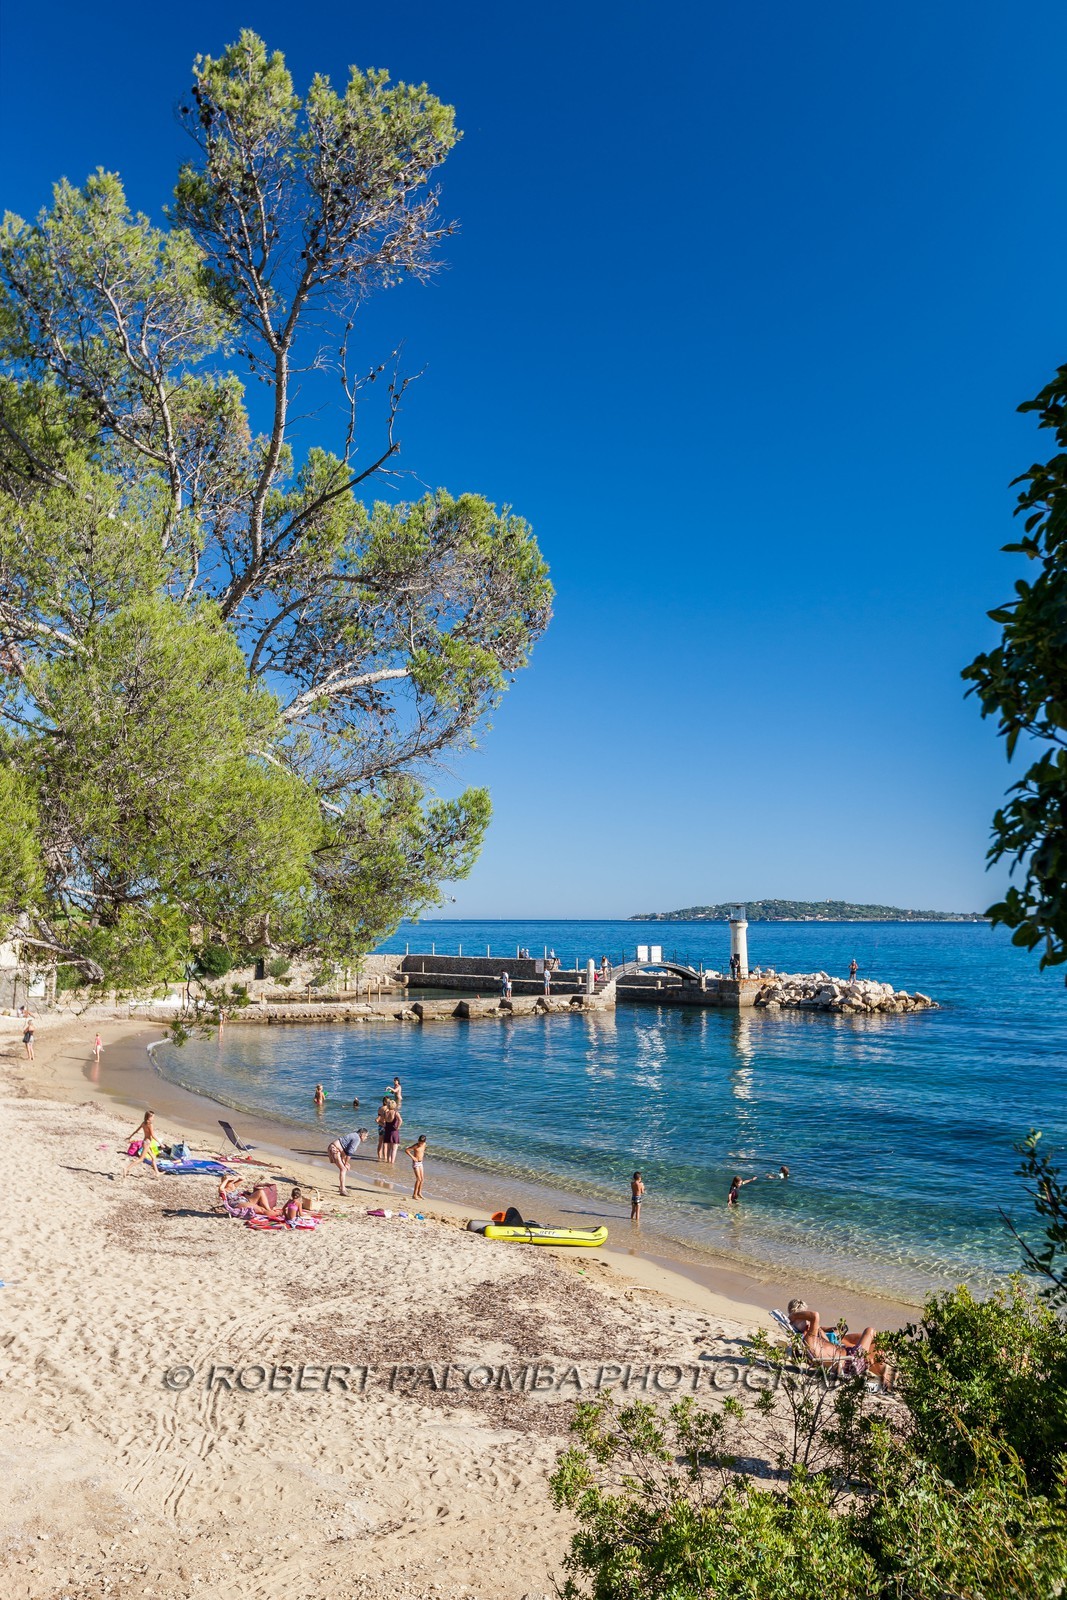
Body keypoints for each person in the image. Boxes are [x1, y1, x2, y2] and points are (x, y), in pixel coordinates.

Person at [786, 1298, 893, 1387]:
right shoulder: (809, 1340)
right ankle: (891, 1367)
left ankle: (886, 1381)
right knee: (870, 1331)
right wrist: (794, 1316)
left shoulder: (811, 1340)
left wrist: (818, 1328)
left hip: (849, 1358)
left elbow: (826, 1340)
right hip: (852, 1362)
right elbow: (815, 1315)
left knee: (873, 1349)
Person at [326, 1129, 367, 1195]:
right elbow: (349, 1153)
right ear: (362, 1134)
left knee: (343, 1169)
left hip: (333, 1148)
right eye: (366, 1136)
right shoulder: (357, 1139)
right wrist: (346, 1163)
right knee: (343, 1169)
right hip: (335, 1149)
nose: (366, 1138)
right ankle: (342, 1189)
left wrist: (344, 1161)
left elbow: (344, 1151)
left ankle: (342, 1187)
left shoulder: (354, 1135)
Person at [123, 1110, 161, 1178]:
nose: (153, 1118)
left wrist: (130, 1137)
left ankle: (157, 1173)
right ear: (149, 1117)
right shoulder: (150, 1125)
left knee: (153, 1157)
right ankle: (127, 1169)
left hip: (144, 1142)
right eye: (152, 1117)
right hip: (147, 1143)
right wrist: (160, 1143)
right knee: (141, 1159)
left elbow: (136, 1131)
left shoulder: (144, 1123)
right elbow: (152, 1135)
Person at [405, 1135, 427, 1200]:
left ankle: (419, 1193)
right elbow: (407, 1150)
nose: (420, 1144)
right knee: (418, 1179)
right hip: (416, 1163)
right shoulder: (416, 1146)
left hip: (421, 1163)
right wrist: (413, 1157)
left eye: (421, 1143)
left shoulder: (424, 1144)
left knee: (422, 1179)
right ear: (418, 1141)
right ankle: (414, 1195)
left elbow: (422, 1151)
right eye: (419, 1142)